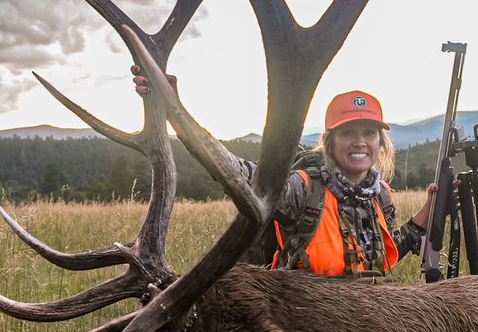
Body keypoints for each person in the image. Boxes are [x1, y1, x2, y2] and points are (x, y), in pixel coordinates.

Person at [133, 69, 437, 278]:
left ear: (379, 142)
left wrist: (424, 216)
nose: (360, 142)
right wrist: (176, 112)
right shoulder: (302, 191)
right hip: (304, 328)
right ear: (330, 142)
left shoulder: (380, 194)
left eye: (369, 132)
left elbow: (379, 255)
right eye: (348, 133)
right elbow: (235, 173)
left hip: (364, 328)